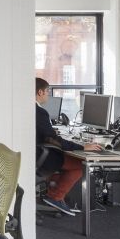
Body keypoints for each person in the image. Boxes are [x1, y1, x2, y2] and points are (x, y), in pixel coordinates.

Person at [36, 78, 101, 217]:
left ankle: (52, 191)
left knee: (70, 162)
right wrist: (82, 147)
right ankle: (55, 197)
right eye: (47, 92)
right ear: (40, 92)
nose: (48, 95)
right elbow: (53, 139)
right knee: (81, 163)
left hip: (36, 153)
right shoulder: (39, 112)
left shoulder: (29, 109)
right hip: (43, 156)